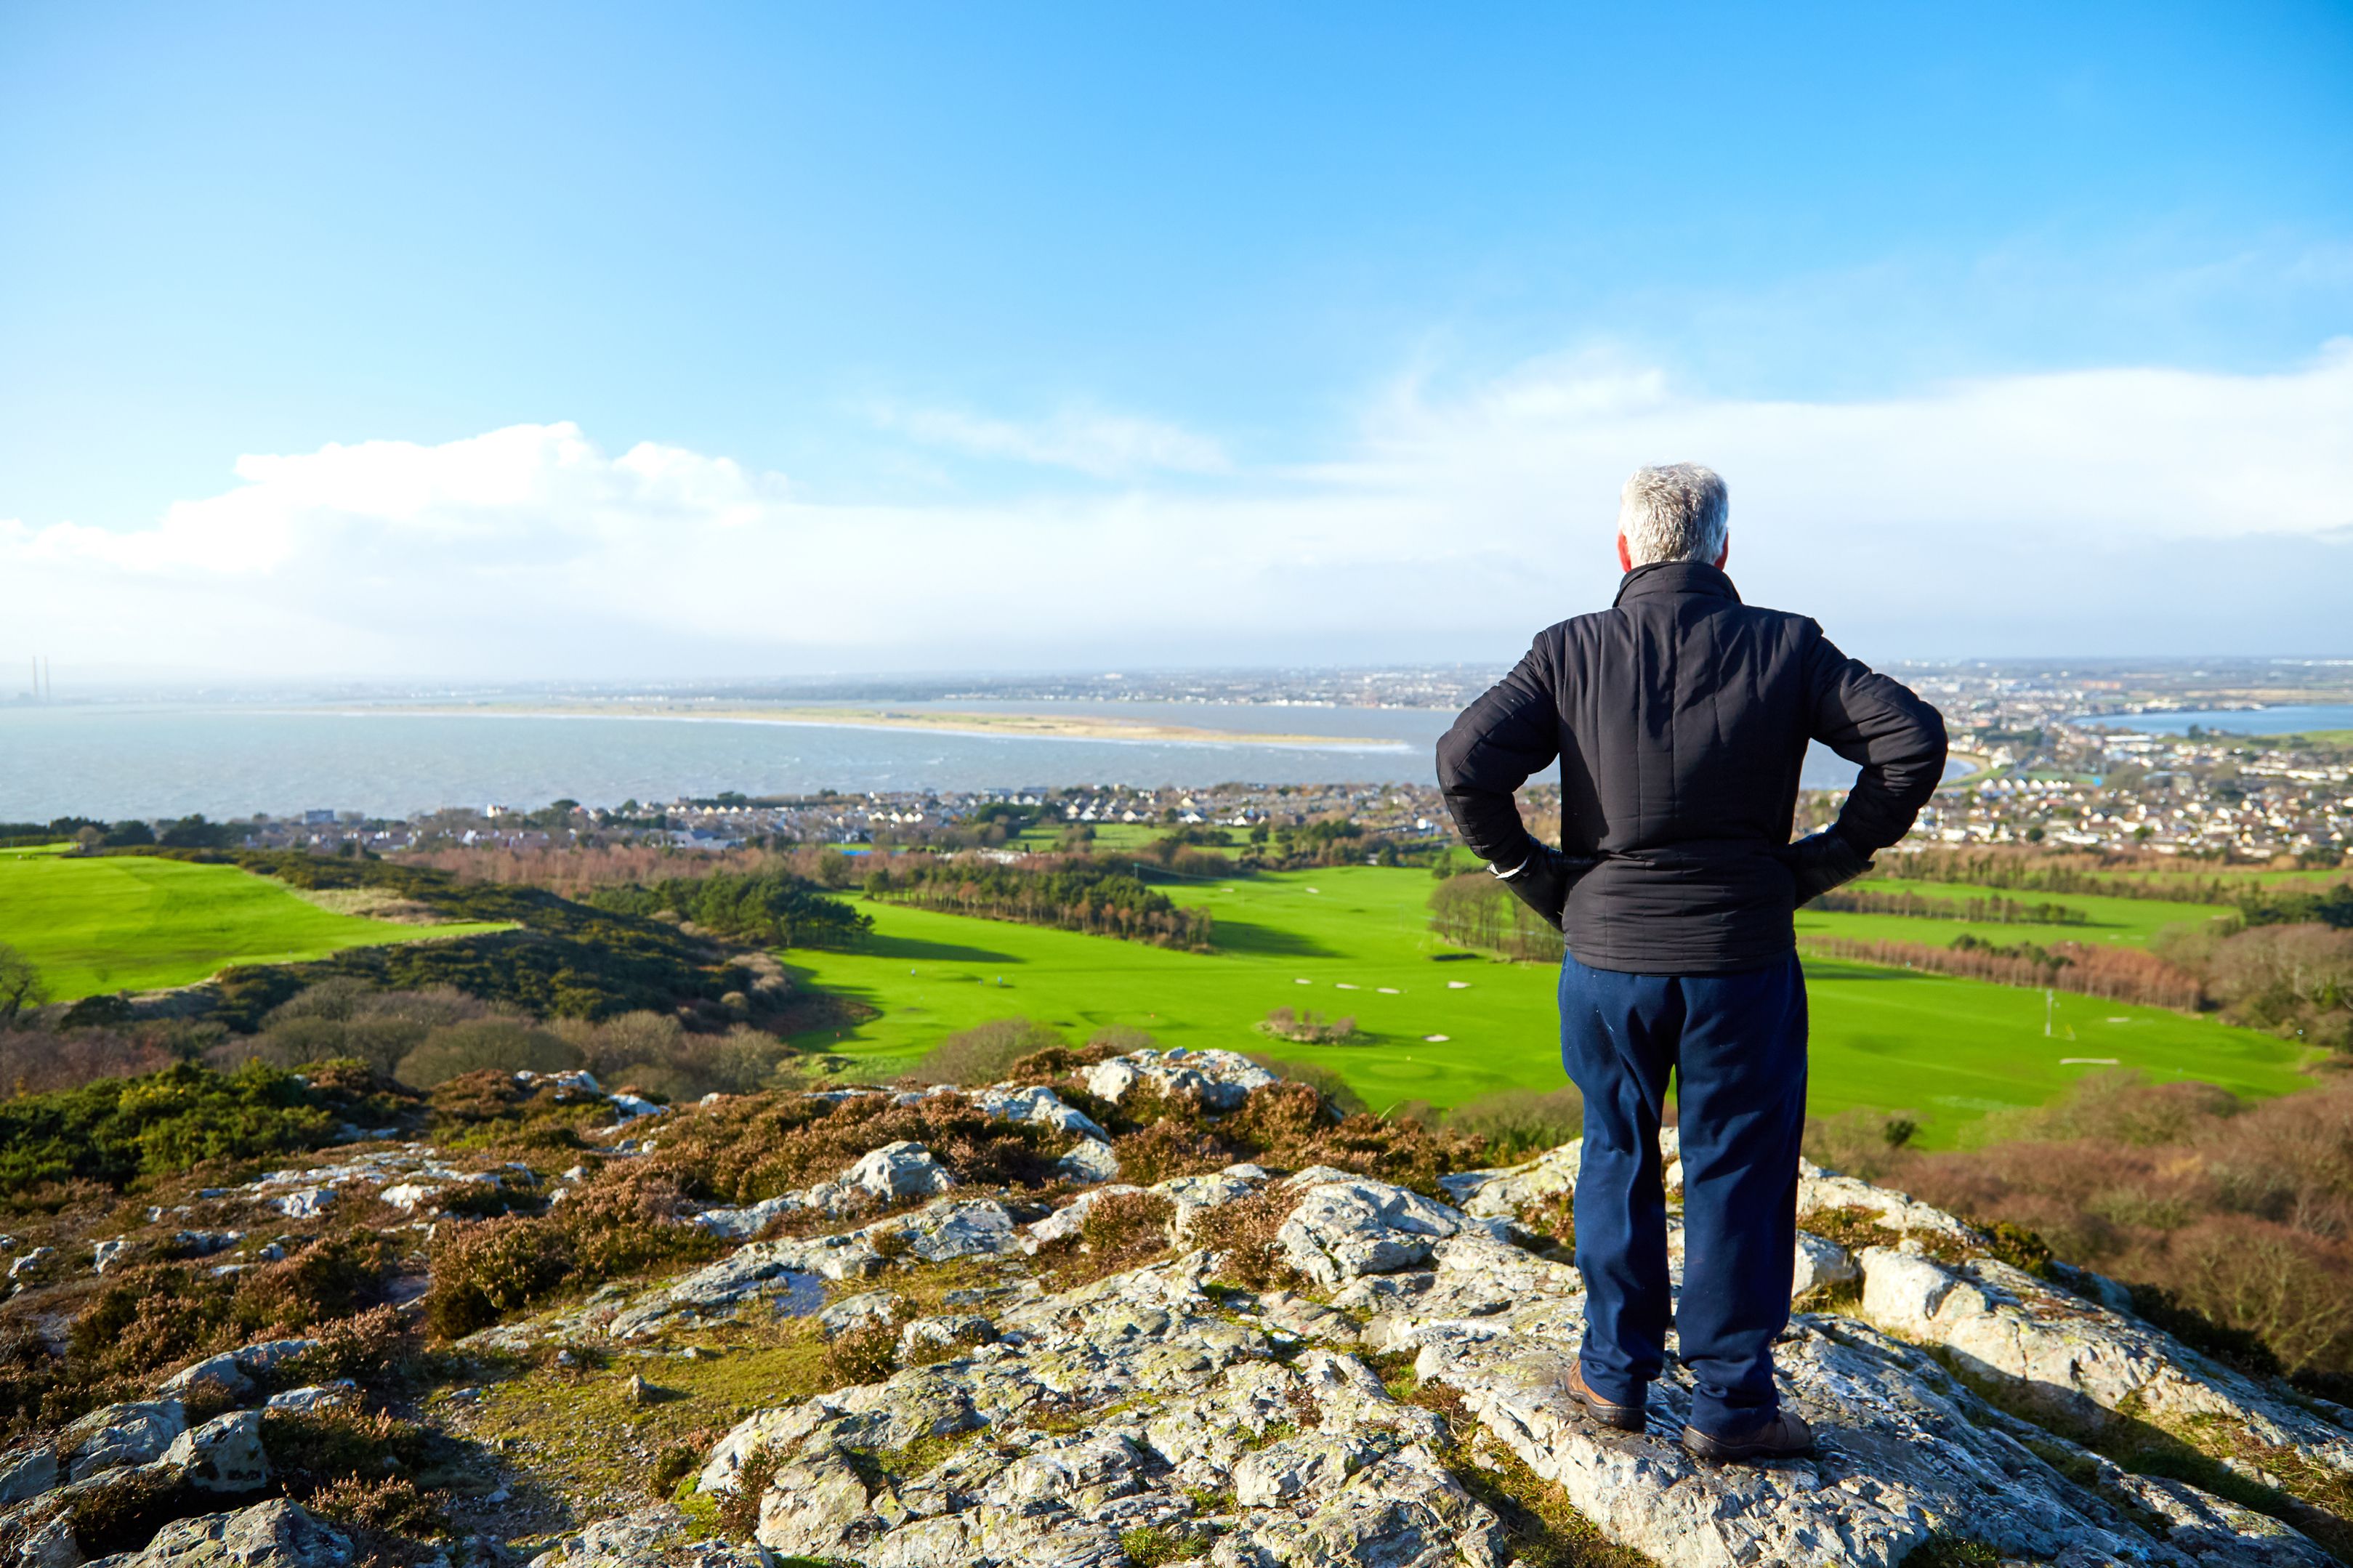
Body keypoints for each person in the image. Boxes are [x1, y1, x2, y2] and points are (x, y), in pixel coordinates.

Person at [1434, 463, 1945, 1462]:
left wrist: (1536, 877)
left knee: (1615, 1150)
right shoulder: (1787, 645)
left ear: (1623, 549)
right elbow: (1909, 737)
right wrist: (1827, 859)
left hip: (1606, 955)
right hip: (1740, 957)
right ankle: (1732, 1404)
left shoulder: (1567, 648)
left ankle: (1613, 1376)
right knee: (1738, 1168)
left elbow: (1463, 762)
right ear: (1721, 548)